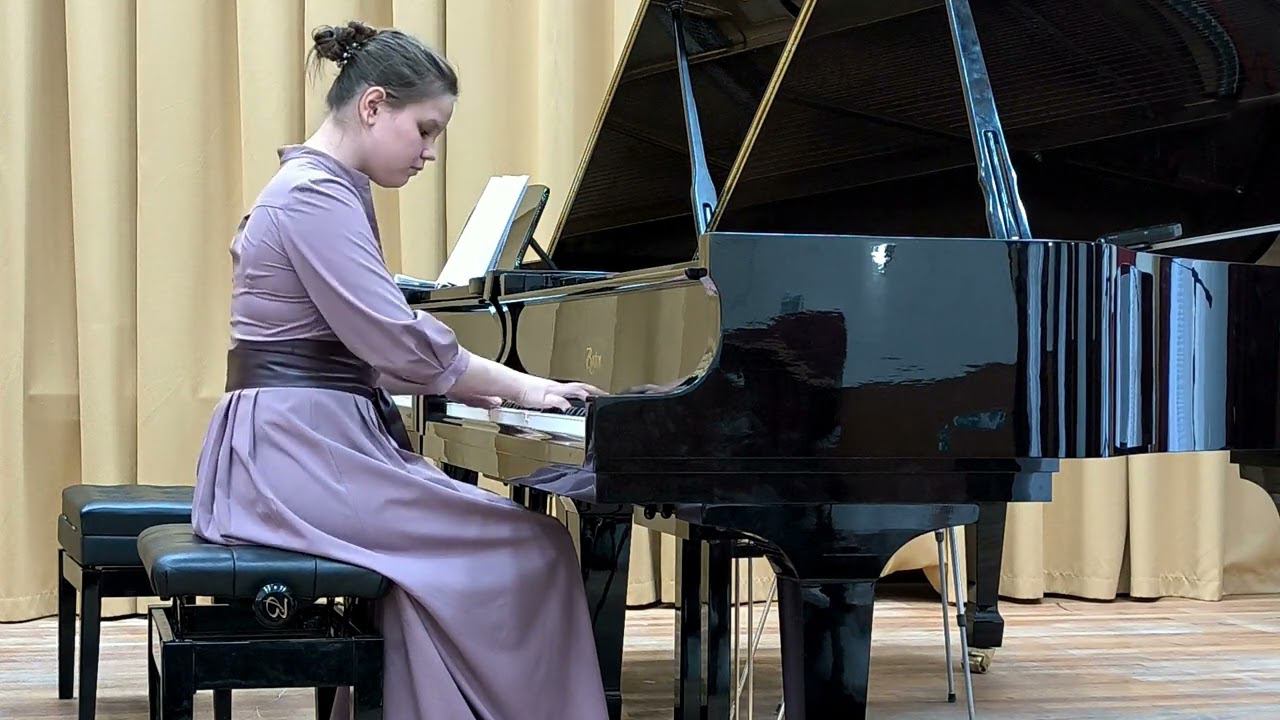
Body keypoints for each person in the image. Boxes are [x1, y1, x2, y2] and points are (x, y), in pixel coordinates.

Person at [191, 20, 610, 719]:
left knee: (445, 567)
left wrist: (476, 386)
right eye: (425, 129)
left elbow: (360, 350)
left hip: (302, 445)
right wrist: (525, 386)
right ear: (372, 105)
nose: (430, 152)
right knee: (536, 546)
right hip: (294, 458)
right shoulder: (313, 196)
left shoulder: (325, 188)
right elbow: (396, 342)